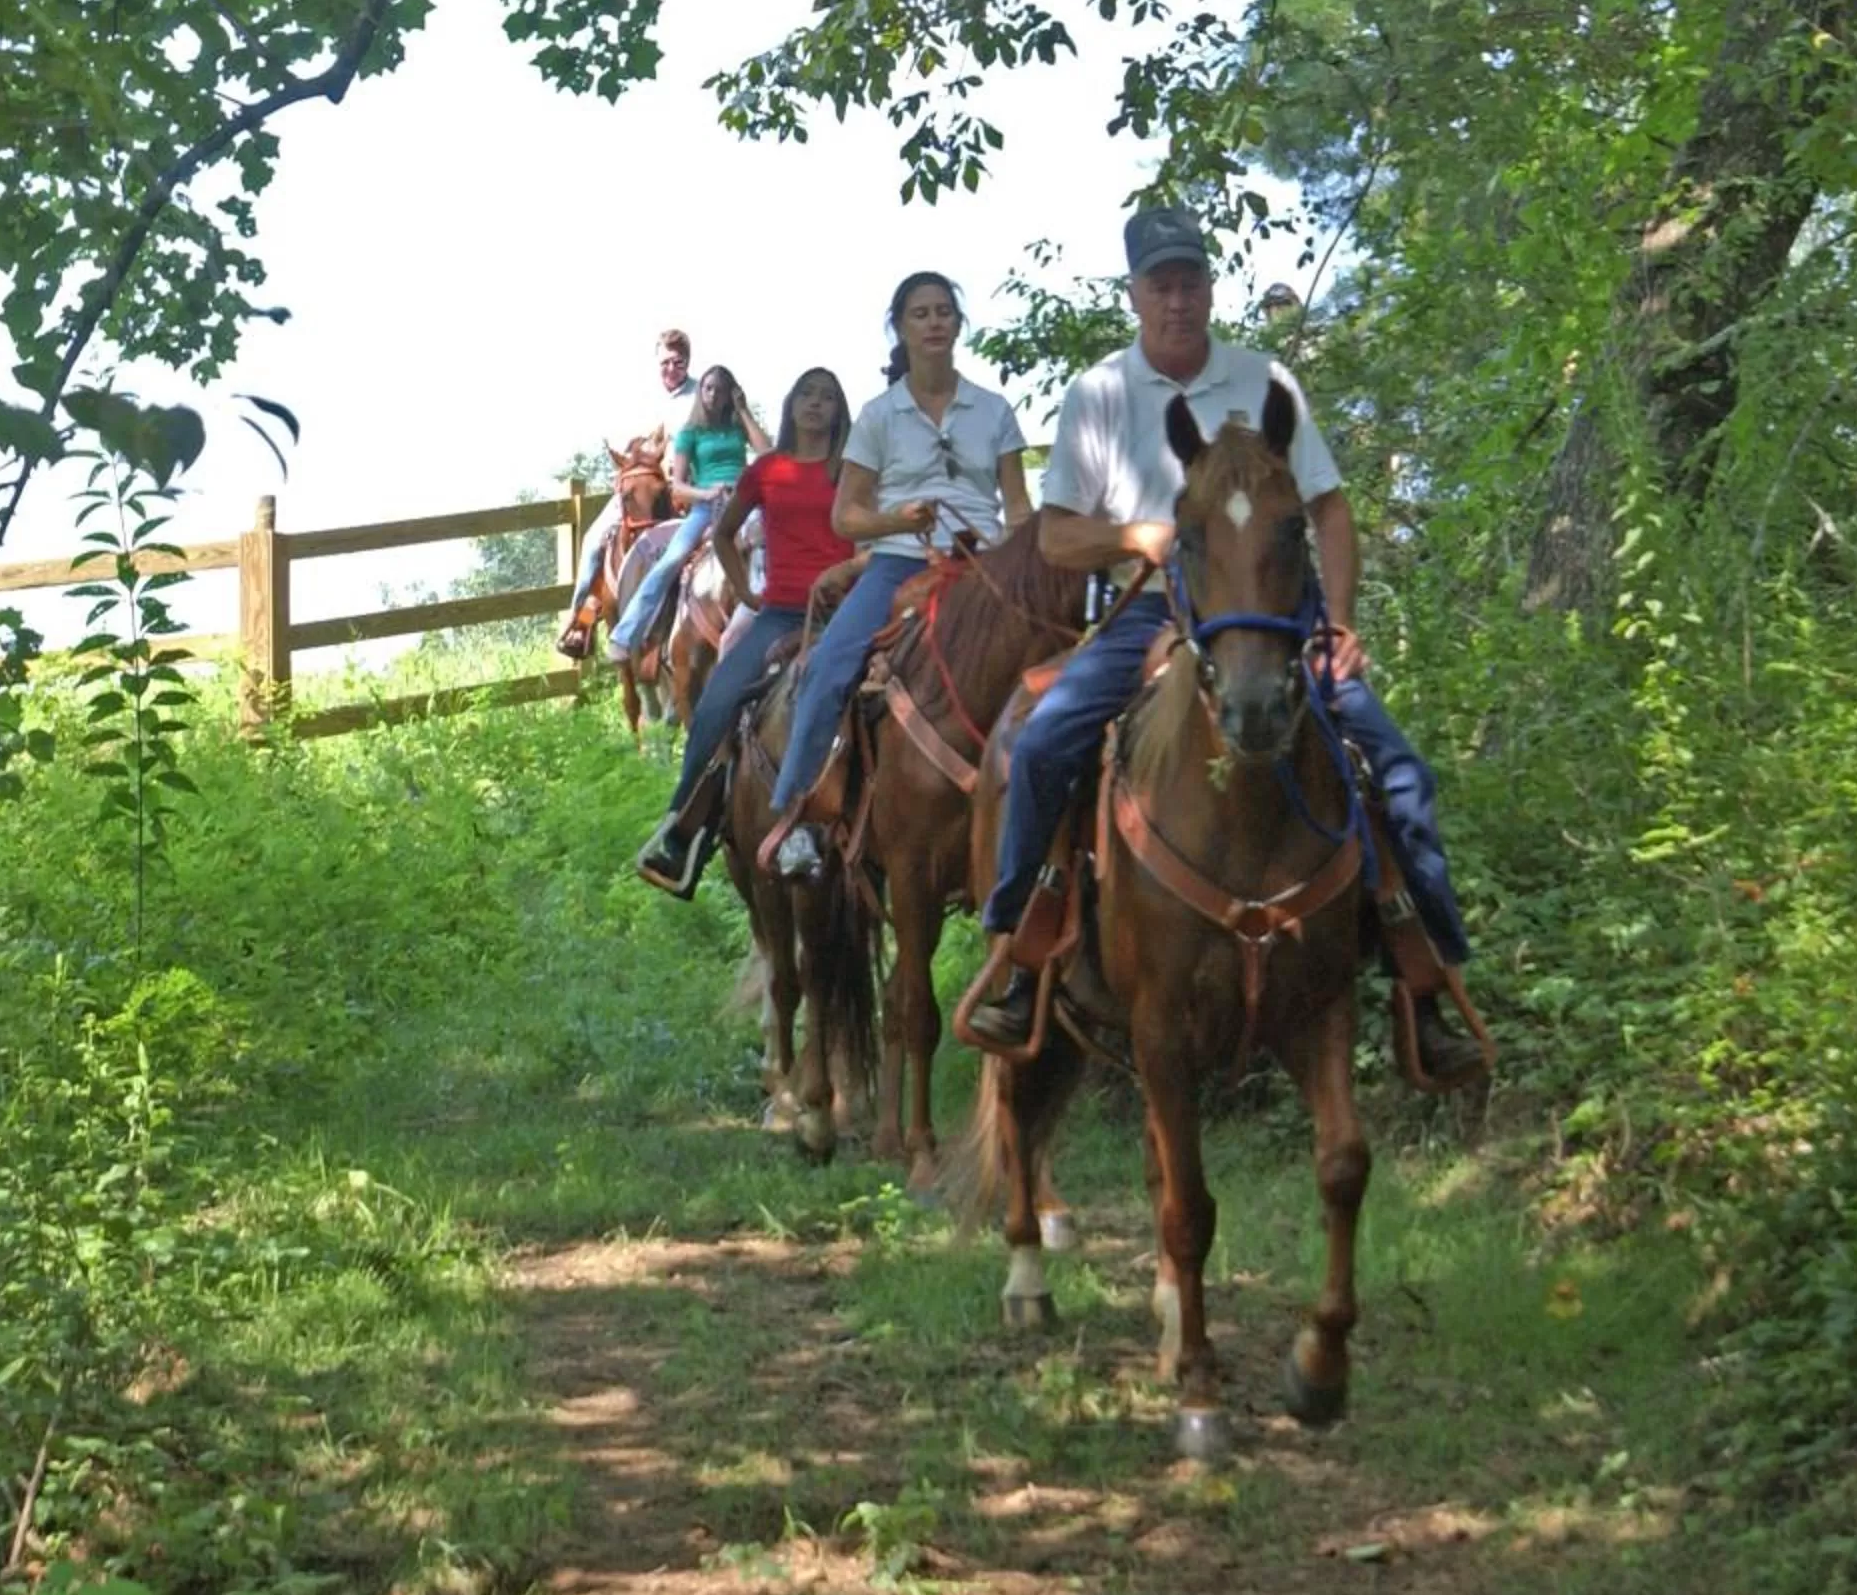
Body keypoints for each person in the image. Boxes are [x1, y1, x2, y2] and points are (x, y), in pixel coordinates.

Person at [954, 208, 1479, 1071]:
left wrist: (1339, 623)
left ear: (1208, 288)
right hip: (1147, 617)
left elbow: (1329, 508)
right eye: (1161, 284)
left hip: (1272, 622)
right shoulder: (1099, 395)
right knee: (1042, 745)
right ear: (1135, 294)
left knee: (1396, 767)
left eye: (1191, 281)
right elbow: (1053, 538)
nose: (1178, 299)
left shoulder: (1263, 381)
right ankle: (1021, 950)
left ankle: (1426, 983)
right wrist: (1139, 539)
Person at [763, 271, 1032, 881]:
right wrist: (897, 518)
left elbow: (1016, 506)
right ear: (901, 328)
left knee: (1055, 658)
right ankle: (798, 818)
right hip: (898, 563)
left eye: (944, 312)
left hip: (982, 569)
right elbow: (846, 516)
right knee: (827, 667)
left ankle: (1067, 826)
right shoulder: (879, 416)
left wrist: (1020, 546)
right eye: (921, 314)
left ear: (959, 325)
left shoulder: (993, 410)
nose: (935, 322)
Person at [634, 367, 855, 895]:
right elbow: (726, 532)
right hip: (779, 613)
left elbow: (874, 533)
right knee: (717, 702)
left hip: (845, 610)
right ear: (791, 404)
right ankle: (684, 829)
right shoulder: (768, 471)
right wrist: (748, 592)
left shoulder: (854, 469)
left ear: (839, 409)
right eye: (807, 394)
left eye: (827, 397)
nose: (816, 404)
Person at [560, 328, 740, 658]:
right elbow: (623, 445)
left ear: (688, 362)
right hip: (639, 484)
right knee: (595, 543)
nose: (671, 369)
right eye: (664, 363)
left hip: (681, 490)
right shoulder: (643, 400)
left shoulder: (699, 397)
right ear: (656, 362)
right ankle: (580, 622)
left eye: (678, 362)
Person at [607, 364, 770, 658]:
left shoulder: (738, 426)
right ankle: (627, 633)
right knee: (672, 559)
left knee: (770, 544)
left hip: (746, 501)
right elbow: (678, 487)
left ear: (730, 394)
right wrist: (708, 492)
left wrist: (744, 412)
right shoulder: (689, 433)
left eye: (720, 390)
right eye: (708, 388)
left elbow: (769, 455)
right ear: (700, 392)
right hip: (707, 506)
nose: (713, 394)